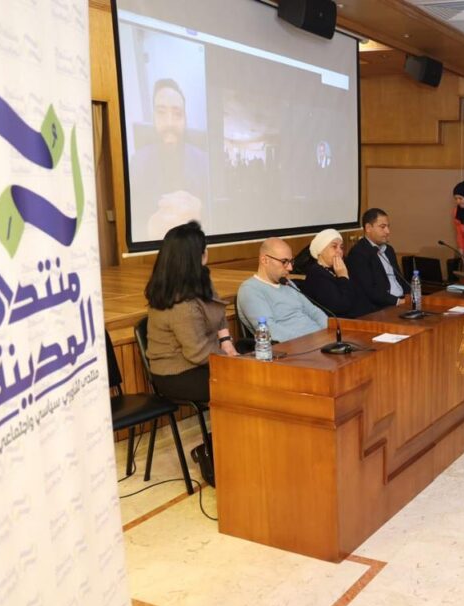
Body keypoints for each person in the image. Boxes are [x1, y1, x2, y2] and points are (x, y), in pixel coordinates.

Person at [144, 221, 237, 404]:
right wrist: (232, 361)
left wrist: (226, 342)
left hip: (203, 361)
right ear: (199, 256)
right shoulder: (181, 305)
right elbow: (198, 353)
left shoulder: (200, 279)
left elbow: (217, 310)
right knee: (245, 383)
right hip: (176, 374)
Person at [129, 78, 209, 241]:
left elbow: (218, 216)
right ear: (153, 117)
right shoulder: (137, 163)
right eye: (161, 113)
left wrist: (200, 211)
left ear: (185, 119)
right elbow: (131, 221)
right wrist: (150, 228)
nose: (170, 123)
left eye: (177, 114)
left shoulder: (203, 162)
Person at [236, 237, 328, 342]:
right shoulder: (250, 290)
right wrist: (310, 340)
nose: (290, 268)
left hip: (319, 340)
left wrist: (329, 333)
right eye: (284, 261)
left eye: (291, 261)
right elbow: (270, 330)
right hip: (296, 346)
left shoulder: (287, 283)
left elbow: (313, 311)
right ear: (265, 260)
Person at [298, 229, 374, 318]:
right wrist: (343, 276)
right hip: (339, 322)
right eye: (334, 246)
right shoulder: (316, 274)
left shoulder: (340, 267)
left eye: (341, 247)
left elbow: (361, 297)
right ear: (320, 250)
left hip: (362, 317)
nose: (339, 251)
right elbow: (341, 306)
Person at [346, 208, 410, 311]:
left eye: (388, 227)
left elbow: (400, 280)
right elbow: (370, 291)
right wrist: (398, 301)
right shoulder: (358, 253)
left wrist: (412, 296)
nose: (388, 231)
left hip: (402, 302)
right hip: (381, 307)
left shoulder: (389, 250)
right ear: (368, 228)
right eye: (382, 227)